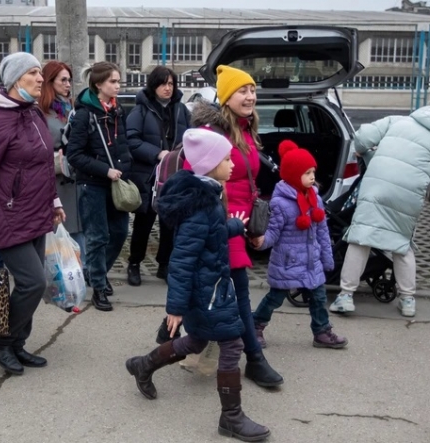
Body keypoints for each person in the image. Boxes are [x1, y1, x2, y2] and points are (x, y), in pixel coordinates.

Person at [125, 129, 270, 442]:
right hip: (206, 294)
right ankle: (231, 417)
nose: (232, 164)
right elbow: (181, 260)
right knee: (233, 343)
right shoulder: (201, 205)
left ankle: (143, 365)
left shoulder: (207, 195)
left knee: (196, 342)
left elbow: (209, 235)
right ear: (209, 163)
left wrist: (233, 226)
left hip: (211, 289)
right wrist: (175, 308)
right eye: (226, 158)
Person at [0, 52, 63, 376]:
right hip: (6, 216)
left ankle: (17, 344)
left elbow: (44, 166)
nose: (39, 78)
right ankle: (1, 340)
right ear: (15, 80)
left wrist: (55, 203)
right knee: (33, 282)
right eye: (33, 73)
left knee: (31, 283)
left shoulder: (31, 113)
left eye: (39, 72)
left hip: (35, 213)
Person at [189, 65, 283, 388]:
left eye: (253, 90)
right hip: (221, 222)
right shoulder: (212, 134)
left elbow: (249, 183)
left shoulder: (246, 131)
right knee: (239, 292)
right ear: (227, 97)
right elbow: (194, 178)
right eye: (242, 90)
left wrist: (253, 227)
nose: (250, 96)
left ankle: (167, 339)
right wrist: (218, 222)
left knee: (216, 292)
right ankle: (254, 360)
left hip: (240, 224)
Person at [329, 105, 430, 317]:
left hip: (377, 187)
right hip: (409, 195)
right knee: (402, 244)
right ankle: (408, 300)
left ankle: (345, 296)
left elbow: (363, 137)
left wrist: (365, 153)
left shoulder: (398, 121)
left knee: (361, 238)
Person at [251, 140, 347, 349]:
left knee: (319, 298)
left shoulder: (315, 199)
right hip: (288, 261)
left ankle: (322, 331)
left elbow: (322, 231)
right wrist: (262, 242)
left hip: (311, 261)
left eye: (313, 172)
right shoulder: (280, 203)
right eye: (307, 173)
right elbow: (274, 232)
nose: (313, 177)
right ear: (294, 175)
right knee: (275, 298)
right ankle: (255, 325)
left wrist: (326, 257)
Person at [66, 61, 131, 312]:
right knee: (97, 237)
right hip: (92, 183)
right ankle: (99, 289)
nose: (117, 86)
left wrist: (127, 167)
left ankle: (96, 274)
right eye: (113, 81)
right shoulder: (84, 114)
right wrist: (105, 169)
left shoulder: (117, 110)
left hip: (117, 183)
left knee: (119, 232)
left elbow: (123, 144)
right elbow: (75, 154)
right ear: (98, 84)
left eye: (118, 81)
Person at [125, 66, 190, 287]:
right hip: (148, 176)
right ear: (154, 86)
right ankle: (134, 264)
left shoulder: (181, 110)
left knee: (170, 224)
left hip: (175, 176)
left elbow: (192, 137)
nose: (168, 88)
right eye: (163, 83)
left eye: (171, 84)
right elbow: (131, 141)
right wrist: (157, 154)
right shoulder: (140, 111)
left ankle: (165, 265)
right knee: (144, 223)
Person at [39, 60, 88, 279]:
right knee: (58, 228)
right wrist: (59, 160)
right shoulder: (41, 114)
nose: (68, 85)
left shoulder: (72, 110)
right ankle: (56, 271)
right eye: (63, 80)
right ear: (50, 82)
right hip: (54, 181)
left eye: (69, 80)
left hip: (76, 180)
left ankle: (79, 269)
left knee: (78, 228)